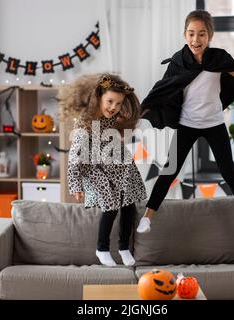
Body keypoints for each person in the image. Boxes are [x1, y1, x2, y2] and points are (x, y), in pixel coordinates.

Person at [136, 10, 234, 240]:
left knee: (229, 171)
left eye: (202, 34)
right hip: (187, 123)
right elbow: (163, 89)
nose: (196, 39)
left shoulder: (218, 58)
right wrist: (141, 110)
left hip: (214, 123)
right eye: (191, 34)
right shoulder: (178, 62)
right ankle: (147, 216)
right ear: (185, 35)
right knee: (170, 169)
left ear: (210, 36)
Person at [59, 73, 147, 266]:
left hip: (119, 165)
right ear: (98, 97)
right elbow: (75, 156)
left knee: (128, 204)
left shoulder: (113, 118)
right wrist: (76, 185)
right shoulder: (84, 122)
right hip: (96, 170)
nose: (113, 107)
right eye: (109, 101)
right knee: (110, 205)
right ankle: (102, 248)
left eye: (118, 103)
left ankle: (124, 247)